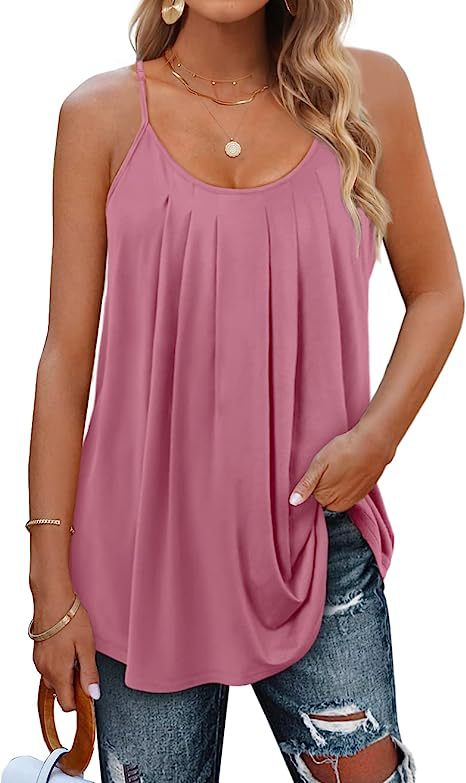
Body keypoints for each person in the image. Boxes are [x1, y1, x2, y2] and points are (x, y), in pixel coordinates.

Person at [27, 1, 463, 781]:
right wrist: (50, 587)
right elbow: (65, 361)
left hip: (313, 540)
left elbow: (437, 291)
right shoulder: (101, 117)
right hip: (141, 565)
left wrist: (378, 439)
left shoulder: (367, 94)